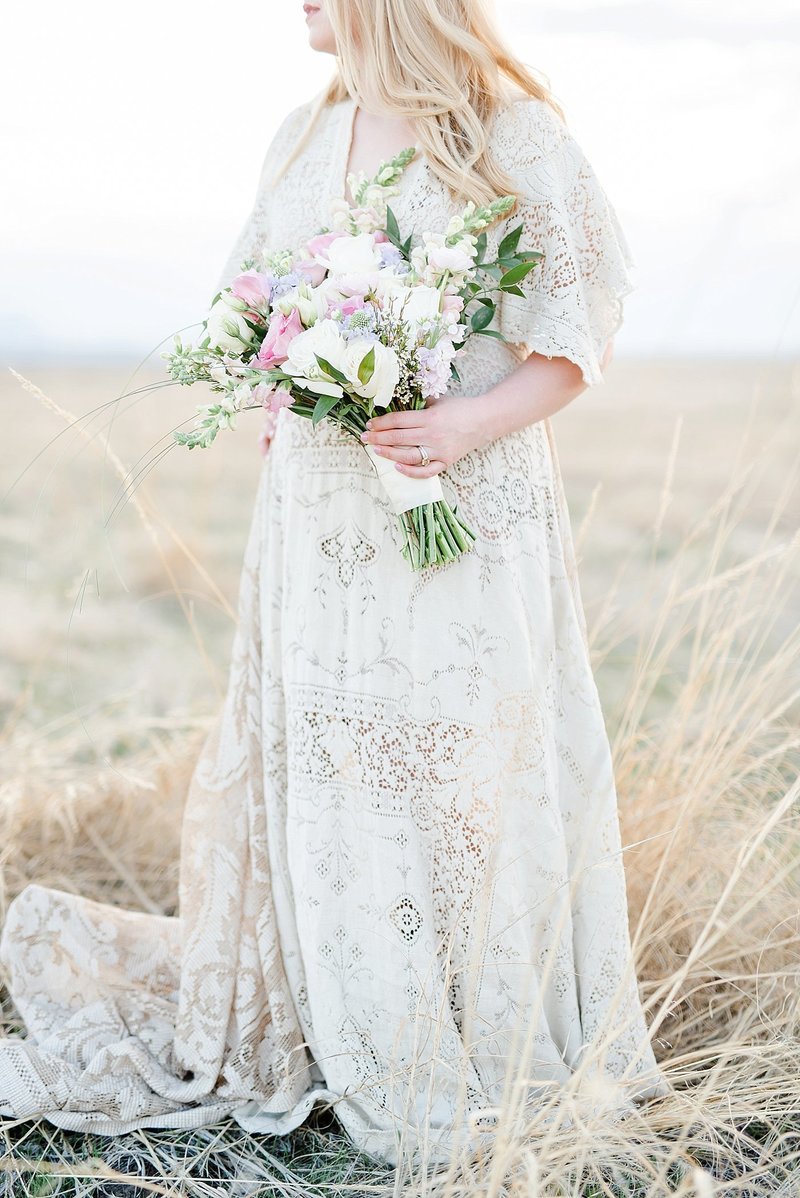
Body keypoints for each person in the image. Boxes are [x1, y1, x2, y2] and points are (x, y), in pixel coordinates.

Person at [0, 0, 669, 1172]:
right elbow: (249, 317)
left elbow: (574, 336)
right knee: (335, 764)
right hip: (317, 520)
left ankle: (471, 1029)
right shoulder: (300, 139)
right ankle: (340, 1005)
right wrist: (286, 386)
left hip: (463, 510)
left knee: (458, 767)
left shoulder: (509, 132)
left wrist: (461, 422)